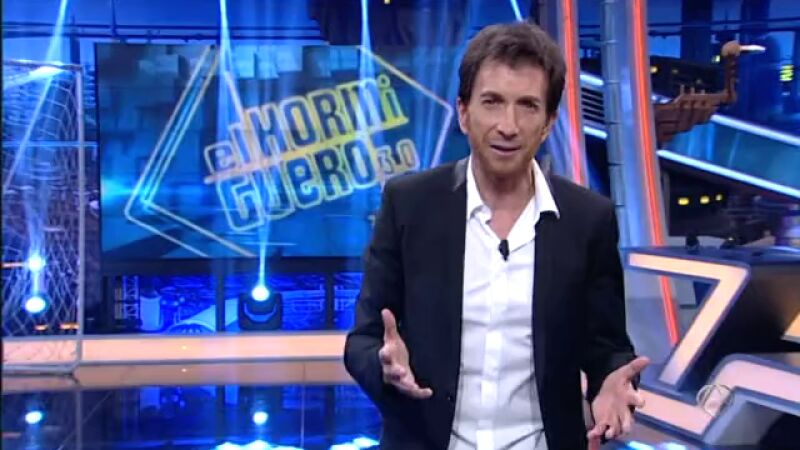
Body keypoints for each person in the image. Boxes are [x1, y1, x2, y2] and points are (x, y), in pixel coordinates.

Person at [344, 21, 648, 450]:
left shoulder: (587, 220)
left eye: (527, 106)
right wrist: (385, 368)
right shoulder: (409, 204)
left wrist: (612, 382)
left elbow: (607, 347)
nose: (509, 125)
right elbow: (363, 339)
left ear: (548, 122)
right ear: (464, 113)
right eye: (492, 102)